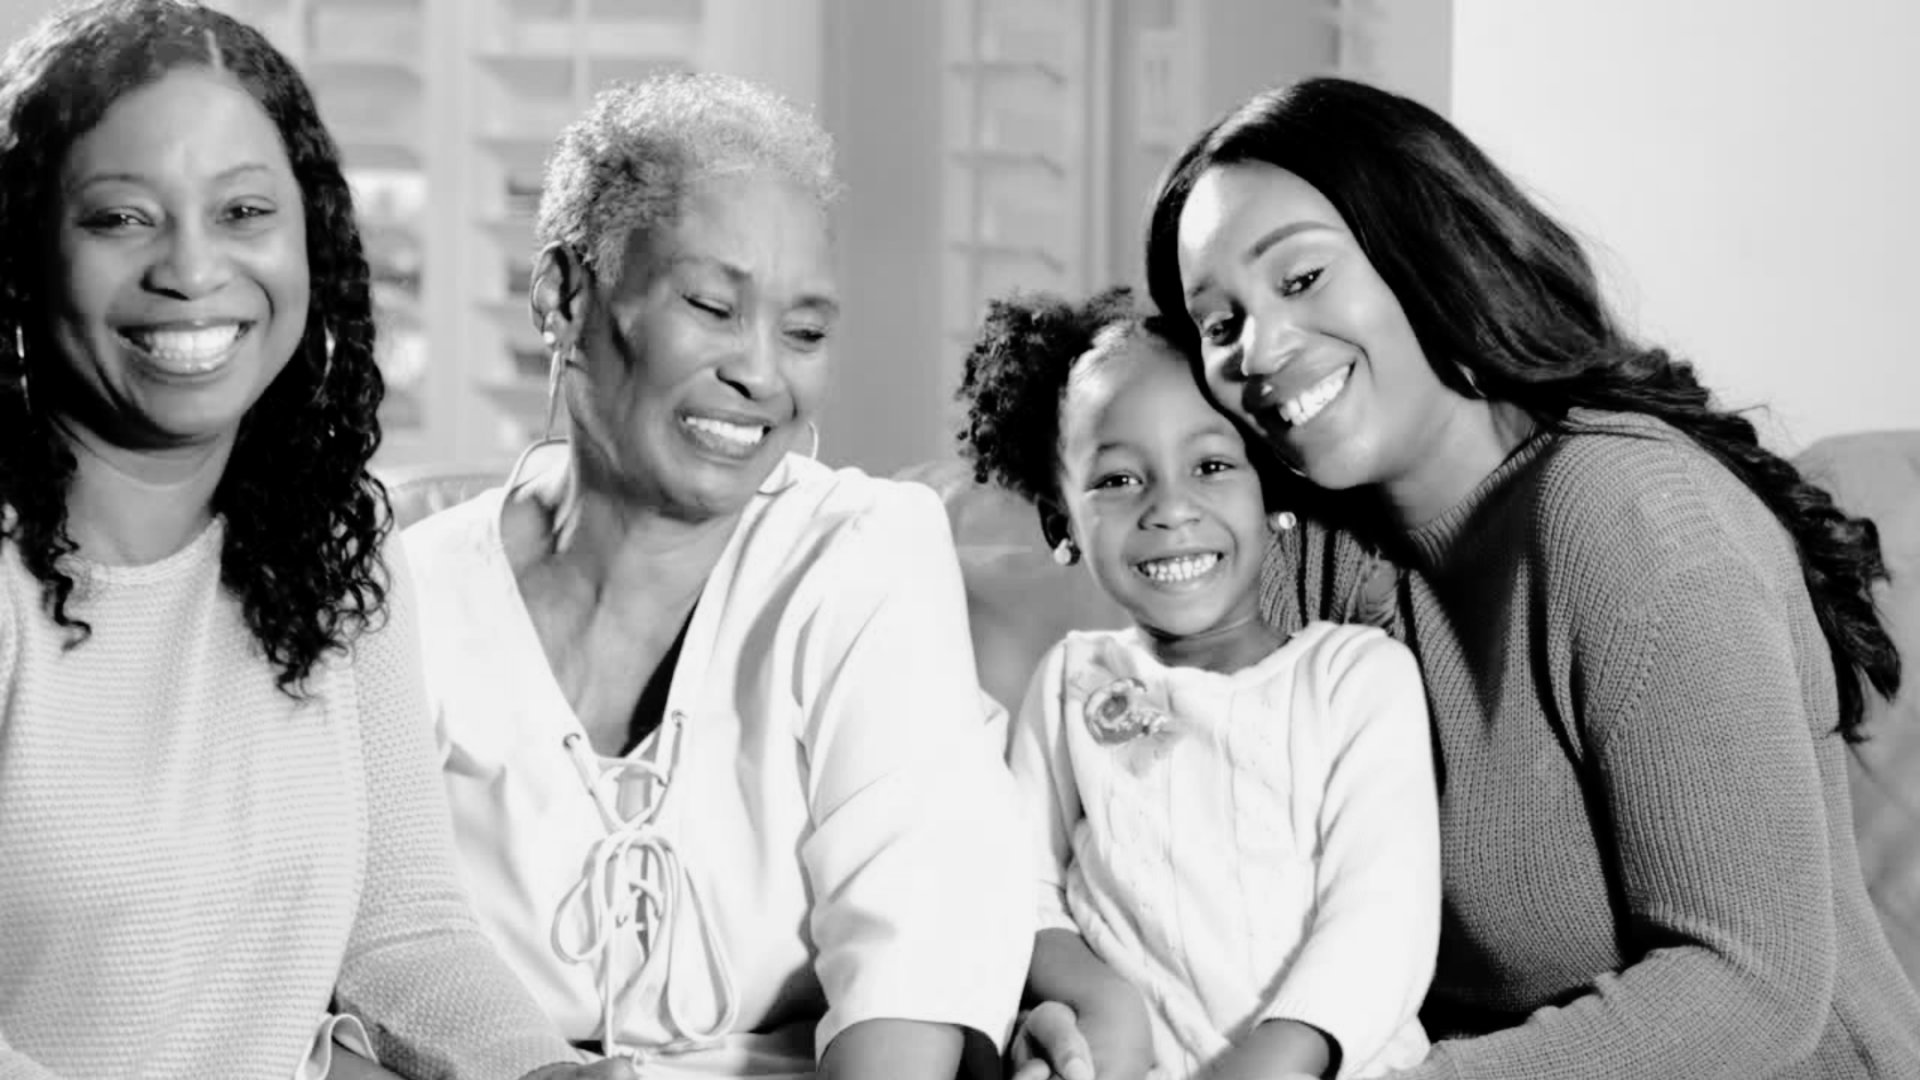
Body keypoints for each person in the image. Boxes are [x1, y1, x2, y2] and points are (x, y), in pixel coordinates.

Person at [1116, 75, 1918, 1077]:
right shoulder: (1307, 555)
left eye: (1302, 278)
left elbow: (1749, 988)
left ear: (1426, 249)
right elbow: (1158, 843)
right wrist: (1075, 997)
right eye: (1219, 323)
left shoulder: (1629, 515)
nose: (1262, 348)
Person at [0, 3, 627, 1079]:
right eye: (120, 218)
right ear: (22, 253)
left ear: (311, 241)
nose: (192, 269)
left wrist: (545, 1073)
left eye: (244, 210)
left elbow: (403, 930)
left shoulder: (337, 543)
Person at [402, 73, 1030, 1079]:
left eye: (805, 332)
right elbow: (337, 972)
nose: (762, 374)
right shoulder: (407, 600)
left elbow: (914, 966)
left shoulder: (863, 553)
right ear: (564, 296)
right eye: (712, 307)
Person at [954, 288, 1438, 1080]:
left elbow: (1385, 915)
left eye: (1211, 466)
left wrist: (1274, 1063)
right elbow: (1021, 890)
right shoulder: (1075, 681)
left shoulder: (1355, 680)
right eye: (1118, 480)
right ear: (1060, 521)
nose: (1171, 509)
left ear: (1270, 490)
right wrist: (1099, 1002)